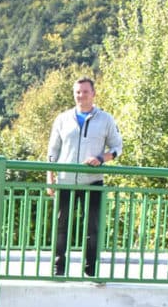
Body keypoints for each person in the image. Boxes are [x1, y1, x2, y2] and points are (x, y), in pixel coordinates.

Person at [46, 76, 123, 277]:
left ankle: (91, 270)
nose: (81, 96)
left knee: (93, 228)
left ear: (93, 93)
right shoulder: (62, 119)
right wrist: (50, 177)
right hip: (65, 180)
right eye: (78, 92)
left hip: (93, 181)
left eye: (85, 92)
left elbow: (117, 147)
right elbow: (52, 151)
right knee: (61, 226)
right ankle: (58, 268)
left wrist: (101, 158)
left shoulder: (106, 119)